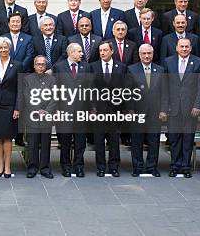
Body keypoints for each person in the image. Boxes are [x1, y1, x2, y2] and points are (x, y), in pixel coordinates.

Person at [160, 38, 200, 178]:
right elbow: (164, 87)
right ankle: (174, 166)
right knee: (174, 139)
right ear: (176, 48)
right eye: (182, 46)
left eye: (187, 46)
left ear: (191, 48)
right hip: (173, 109)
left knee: (187, 139)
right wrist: (164, 107)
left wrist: (198, 105)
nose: (184, 49)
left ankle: (186, 167)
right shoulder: (168, 62)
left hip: (190, 109)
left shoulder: (198, 62)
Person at [127, 44, 166, 177]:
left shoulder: (160, 70)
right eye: (144, 53)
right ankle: (137, 167)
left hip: (155, 113)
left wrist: (163, 110)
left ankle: (151, 167)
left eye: (149, 53)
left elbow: (164, 92)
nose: (147, 56)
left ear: (153, 54)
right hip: (137, 113)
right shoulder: (132, 69)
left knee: (154, 141)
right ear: (139, 55)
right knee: (136, 141)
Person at [89, 41, 127, 177]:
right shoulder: (93, 67)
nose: (102, 53)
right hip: (98, 110)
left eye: (105, 50)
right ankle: (100, 167)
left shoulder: (121, 67)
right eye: (100, 51)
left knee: (114, 140)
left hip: (115, 110)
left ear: (112, 51)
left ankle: (114, 167)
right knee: (99, 140)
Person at [52, 43, 91, 177]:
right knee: (65, 141)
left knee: (80, 142)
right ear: (71, 53)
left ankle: (79, 166)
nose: (82, 54)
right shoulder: (59, 67)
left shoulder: (86, 66)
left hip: (81, 111)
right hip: (64, 111)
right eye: (79, 51)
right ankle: (66, 166)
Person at [0, 37, 21, 178]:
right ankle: (0, 165)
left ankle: (7, 166)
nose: (3, 50)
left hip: (10, 105)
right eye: (0, 48)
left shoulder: (17, 65)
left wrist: (18, 107)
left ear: (9, 48)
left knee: (8, 137)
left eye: (5, 47)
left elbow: (20, 88)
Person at [20, 55, 55, 178]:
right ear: (34, 65)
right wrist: (36, 110)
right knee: (33, 143)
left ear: (46, 66)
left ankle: (45, 168)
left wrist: (46, 111)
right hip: (32, 116)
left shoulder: (52, 80)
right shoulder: (28, 79)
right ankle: (32, 168)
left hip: (46, 116)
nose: (40, 66)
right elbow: (27, 97)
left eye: (43, 64)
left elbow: (54, 98)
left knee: (46, 143)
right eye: (38, 64)